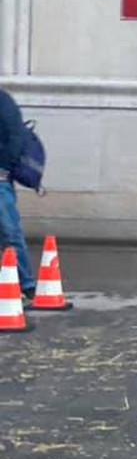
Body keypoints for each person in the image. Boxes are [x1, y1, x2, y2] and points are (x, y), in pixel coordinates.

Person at [0, 88, 34, 301]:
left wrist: (4, 169)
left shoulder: (3, 102)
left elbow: (16, 137)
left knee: (9, 231)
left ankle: (27, 285)